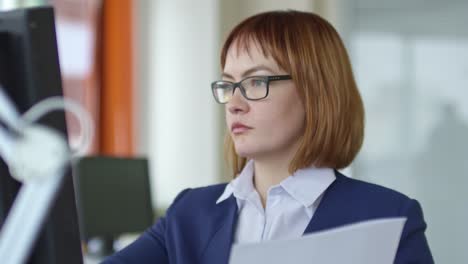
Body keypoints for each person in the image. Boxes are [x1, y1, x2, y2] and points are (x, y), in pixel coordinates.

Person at [103, 10, 433, 264]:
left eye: (255, 82)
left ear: (316, 91)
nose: (234, 103)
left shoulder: (388, 217)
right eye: (228, 84)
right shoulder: (191, 212)